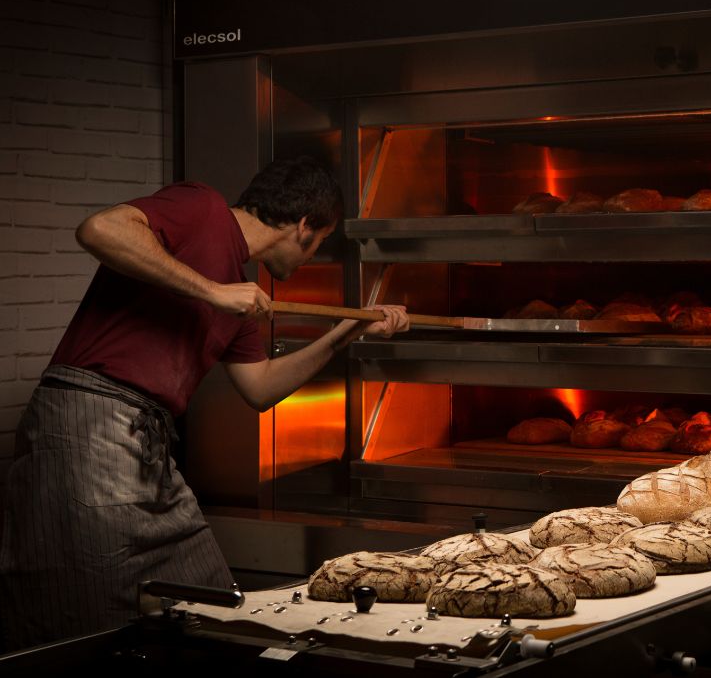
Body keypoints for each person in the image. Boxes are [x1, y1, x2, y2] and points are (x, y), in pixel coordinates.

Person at [0, 155, 408, 652]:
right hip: (89, 424)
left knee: (212, 604)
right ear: (305, 226)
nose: (311, 258)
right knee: (90, 616)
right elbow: (100, 228)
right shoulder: (203, 208)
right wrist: (213, 291)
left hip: (147, 444)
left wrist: (345, 333)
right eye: (320, 244)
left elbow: (259, 389)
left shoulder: (240, 292)